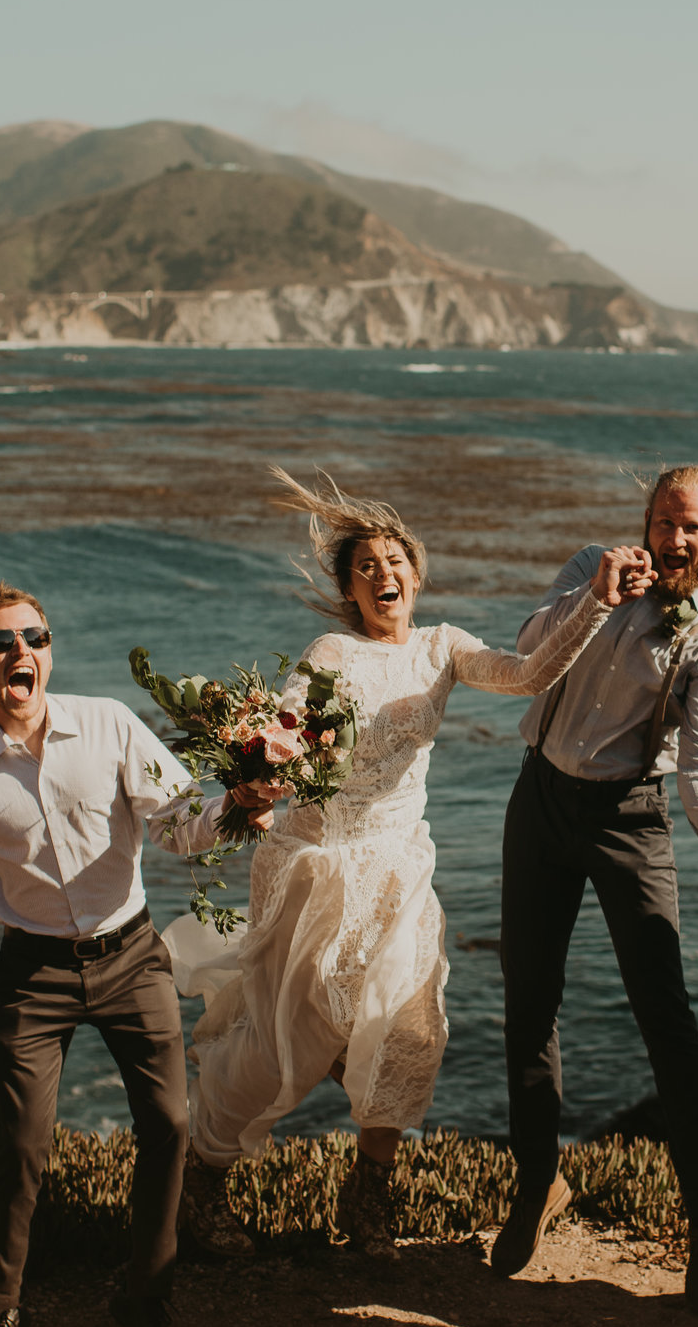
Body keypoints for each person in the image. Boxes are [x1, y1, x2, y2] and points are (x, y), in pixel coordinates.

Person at [175, 472, 647, 1263]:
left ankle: (368, 1202)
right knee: (287, 1040)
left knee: (409, 1032)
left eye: (395, 561)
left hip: (398, 871)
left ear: (417, 575)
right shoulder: (331, 651)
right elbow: (291, 728)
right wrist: (262, 768)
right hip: (320, 864)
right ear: (350, 588)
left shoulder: (444, 647)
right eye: (366, 567)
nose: (383, 573)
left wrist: (596, 601)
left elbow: (526, 674)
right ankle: (200, 1180)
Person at [0, 584, 263, 1327]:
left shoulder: (109, 723)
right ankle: (2, 1310)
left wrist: (239, 805)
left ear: (50, 651)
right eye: (0, 643)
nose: (20, 654)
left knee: (170, 1126)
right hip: (34, 974)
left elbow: (182, 825)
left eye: (33, 638)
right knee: (23, 1144)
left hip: (133, 955)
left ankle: (145, 1296)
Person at [494, 464, 698, 1308]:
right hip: (541, 799)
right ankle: (538, 1181)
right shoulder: (584, 569)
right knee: (528, 1000)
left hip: (630, 816)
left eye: (694, 528)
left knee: (665, 1015)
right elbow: (528, 652)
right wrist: (594, 598)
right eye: (666, 521)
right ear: (645, 519)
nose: (676, 539)